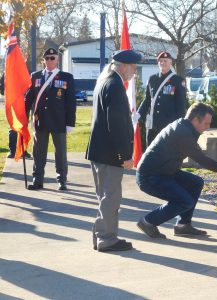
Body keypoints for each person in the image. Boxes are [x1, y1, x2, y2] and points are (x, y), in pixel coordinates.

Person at [136, 102, 217, 239]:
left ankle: (183, 225)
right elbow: (203, 160)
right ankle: (148, 222)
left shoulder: (186, 127)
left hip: (165, 172)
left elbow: (203, 158)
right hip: (150, 176)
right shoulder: (183, 133)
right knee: (184, 201)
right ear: (195, 120)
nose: (208, 127)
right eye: (206, 123)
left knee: (195, 182)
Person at [85, 49, 141, 252]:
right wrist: (125, 155)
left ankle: (102, 236)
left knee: (106, 197)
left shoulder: (105, 79)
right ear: (124, 66)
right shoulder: (115, 84)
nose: (134, 72)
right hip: (109, 153)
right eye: (133, 67)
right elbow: (116, 124)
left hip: (100, 151)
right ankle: (106, 239)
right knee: (111, 197)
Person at [25, 48, 76, 191]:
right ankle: (37, 180)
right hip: (40, 120)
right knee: (38, 152)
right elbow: (28, 99)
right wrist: (22, 117)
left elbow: (71, 102)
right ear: (43, 60)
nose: (49, 61)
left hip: (59, 121)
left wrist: (70, 123)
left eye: (52, 58)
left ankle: (62, 180)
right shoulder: (35, 76)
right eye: (46, 58)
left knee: (60, 153)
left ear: (57, 59)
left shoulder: (66, 77)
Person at [137, 51, 186, 148]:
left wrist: (178, 126)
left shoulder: (178, 80)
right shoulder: (152, 79)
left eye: (165, 61)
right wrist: (138, 114)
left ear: (170, 63)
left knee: (166, 153)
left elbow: (181, 106)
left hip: (168, 125)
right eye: (160, 61)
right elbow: (147, 100)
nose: (162, 63)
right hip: (152, 125)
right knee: (150, 151)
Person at [0, 72, 32, 159]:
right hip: (14, 104)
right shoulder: (8, 71)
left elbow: (30, 87)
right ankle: (13, 151)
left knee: (24, 127)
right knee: (13, 127)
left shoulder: (25, 71)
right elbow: (2, 89)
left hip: (25, 104)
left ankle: (23, 151)